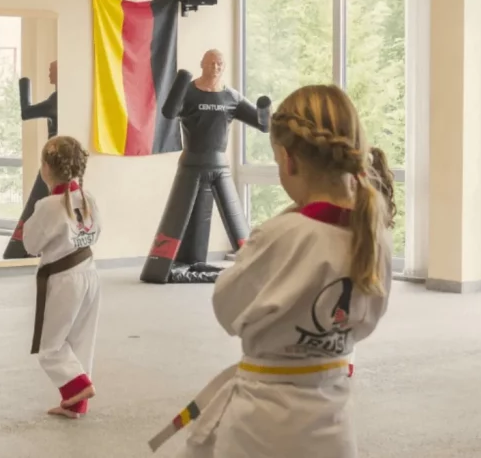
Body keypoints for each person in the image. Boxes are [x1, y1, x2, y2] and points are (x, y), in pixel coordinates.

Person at [148, 85, 392, 458]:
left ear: (288, 159)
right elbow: (367, 321)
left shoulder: (282, 234)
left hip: (262, 425)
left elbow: (227, 308)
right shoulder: (374, 236)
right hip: (333, 419)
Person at [140, 49, 270, 284]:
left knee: (235, 220)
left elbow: (264, 126)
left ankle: (255, 266)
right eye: (210, 62)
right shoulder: (188, 91)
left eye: (219, 63)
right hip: (191, 164)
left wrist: (265, 111)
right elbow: (169, 113)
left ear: (224, 66)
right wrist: (181, 81)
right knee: (178, 215)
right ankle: (161, 267)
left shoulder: (231, 97)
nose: (215, 67)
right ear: (202, 64)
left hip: (219, 165)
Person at [23, 136, 102, 419]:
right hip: (89, 273)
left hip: (64, 279)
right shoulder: (88, 197)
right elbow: (97, 232)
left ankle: (80, 386)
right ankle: (76, 403)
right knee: (81, 340)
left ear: (46, 167)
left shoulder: (48, 205)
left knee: (51, 347)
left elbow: (30, 245)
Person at [3, 60, 59, 259]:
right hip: (60, 159)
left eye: (51, 71)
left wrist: (24, 83)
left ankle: (20, 250)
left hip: (53, 162)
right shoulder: (65, 98)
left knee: (39, 202)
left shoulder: (56, 99)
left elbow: (26, 112)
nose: (49, 74)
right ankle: (26, 248)